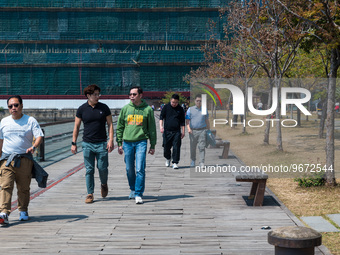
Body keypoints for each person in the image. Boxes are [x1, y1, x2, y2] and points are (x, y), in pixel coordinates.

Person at [0, 95, 44, 226]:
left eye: (16, 105)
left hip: (24, 158)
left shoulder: (30, 120)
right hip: (7, 159)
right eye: (10, 106)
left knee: (23, 188)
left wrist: (34, 146)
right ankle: (4, 213)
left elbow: (39, 136)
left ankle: (23, 211)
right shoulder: (4, 122)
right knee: (5, 185)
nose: (13, 108)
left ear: (21, 106)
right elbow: (1, 141)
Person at [71, 84, 114, 204]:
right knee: (89, 169)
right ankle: (90, 193)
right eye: (95, 94)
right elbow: (77, 126)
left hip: (101, 143)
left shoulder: (104, 108)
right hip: (87, 144)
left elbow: (110, 124)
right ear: (88, 95)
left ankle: (104, 184)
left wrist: (111, 140)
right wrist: (73, 143)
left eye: (98, 94)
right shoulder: (82, 109)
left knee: (102, 168)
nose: (97, 96)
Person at [116, 86, 156, 204]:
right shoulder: (125, 109)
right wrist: (119, 143)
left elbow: (152, 129)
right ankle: (133, 189)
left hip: (141, 142)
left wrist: (152, 145)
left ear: (140, 95)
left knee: (140, 168)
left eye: (134, 94)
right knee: (129, 169)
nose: (131, 96)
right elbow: (120, 127)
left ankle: (138, 193)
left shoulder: (147, 109)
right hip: (127, 143)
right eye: (130, 94)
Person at [159, 94, 185, 169]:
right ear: (170, 100)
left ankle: (175, 162)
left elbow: (182, 121)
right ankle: (168, 158)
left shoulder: (180, 109)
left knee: (176, 147)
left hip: (176, 131)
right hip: (167, 131)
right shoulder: (166, 107)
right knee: (166, 147)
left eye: (176, 102)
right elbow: (161, 117)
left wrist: (183, 131)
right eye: (173, 102)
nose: (174, 104)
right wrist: (161, 126)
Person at [186, 94, 210, 167]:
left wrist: (208, 130)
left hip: (202, 130)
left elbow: (207, 121)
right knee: (193, 147)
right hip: (193, 131)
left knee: (202, 147)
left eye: (200, 101)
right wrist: (189, 129)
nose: (198, 102)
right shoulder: (190, 109)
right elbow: (187, 120)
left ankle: (201, 162)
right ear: (195, 101)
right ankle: (193, 160)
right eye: (197, 101)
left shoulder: (204, 109)